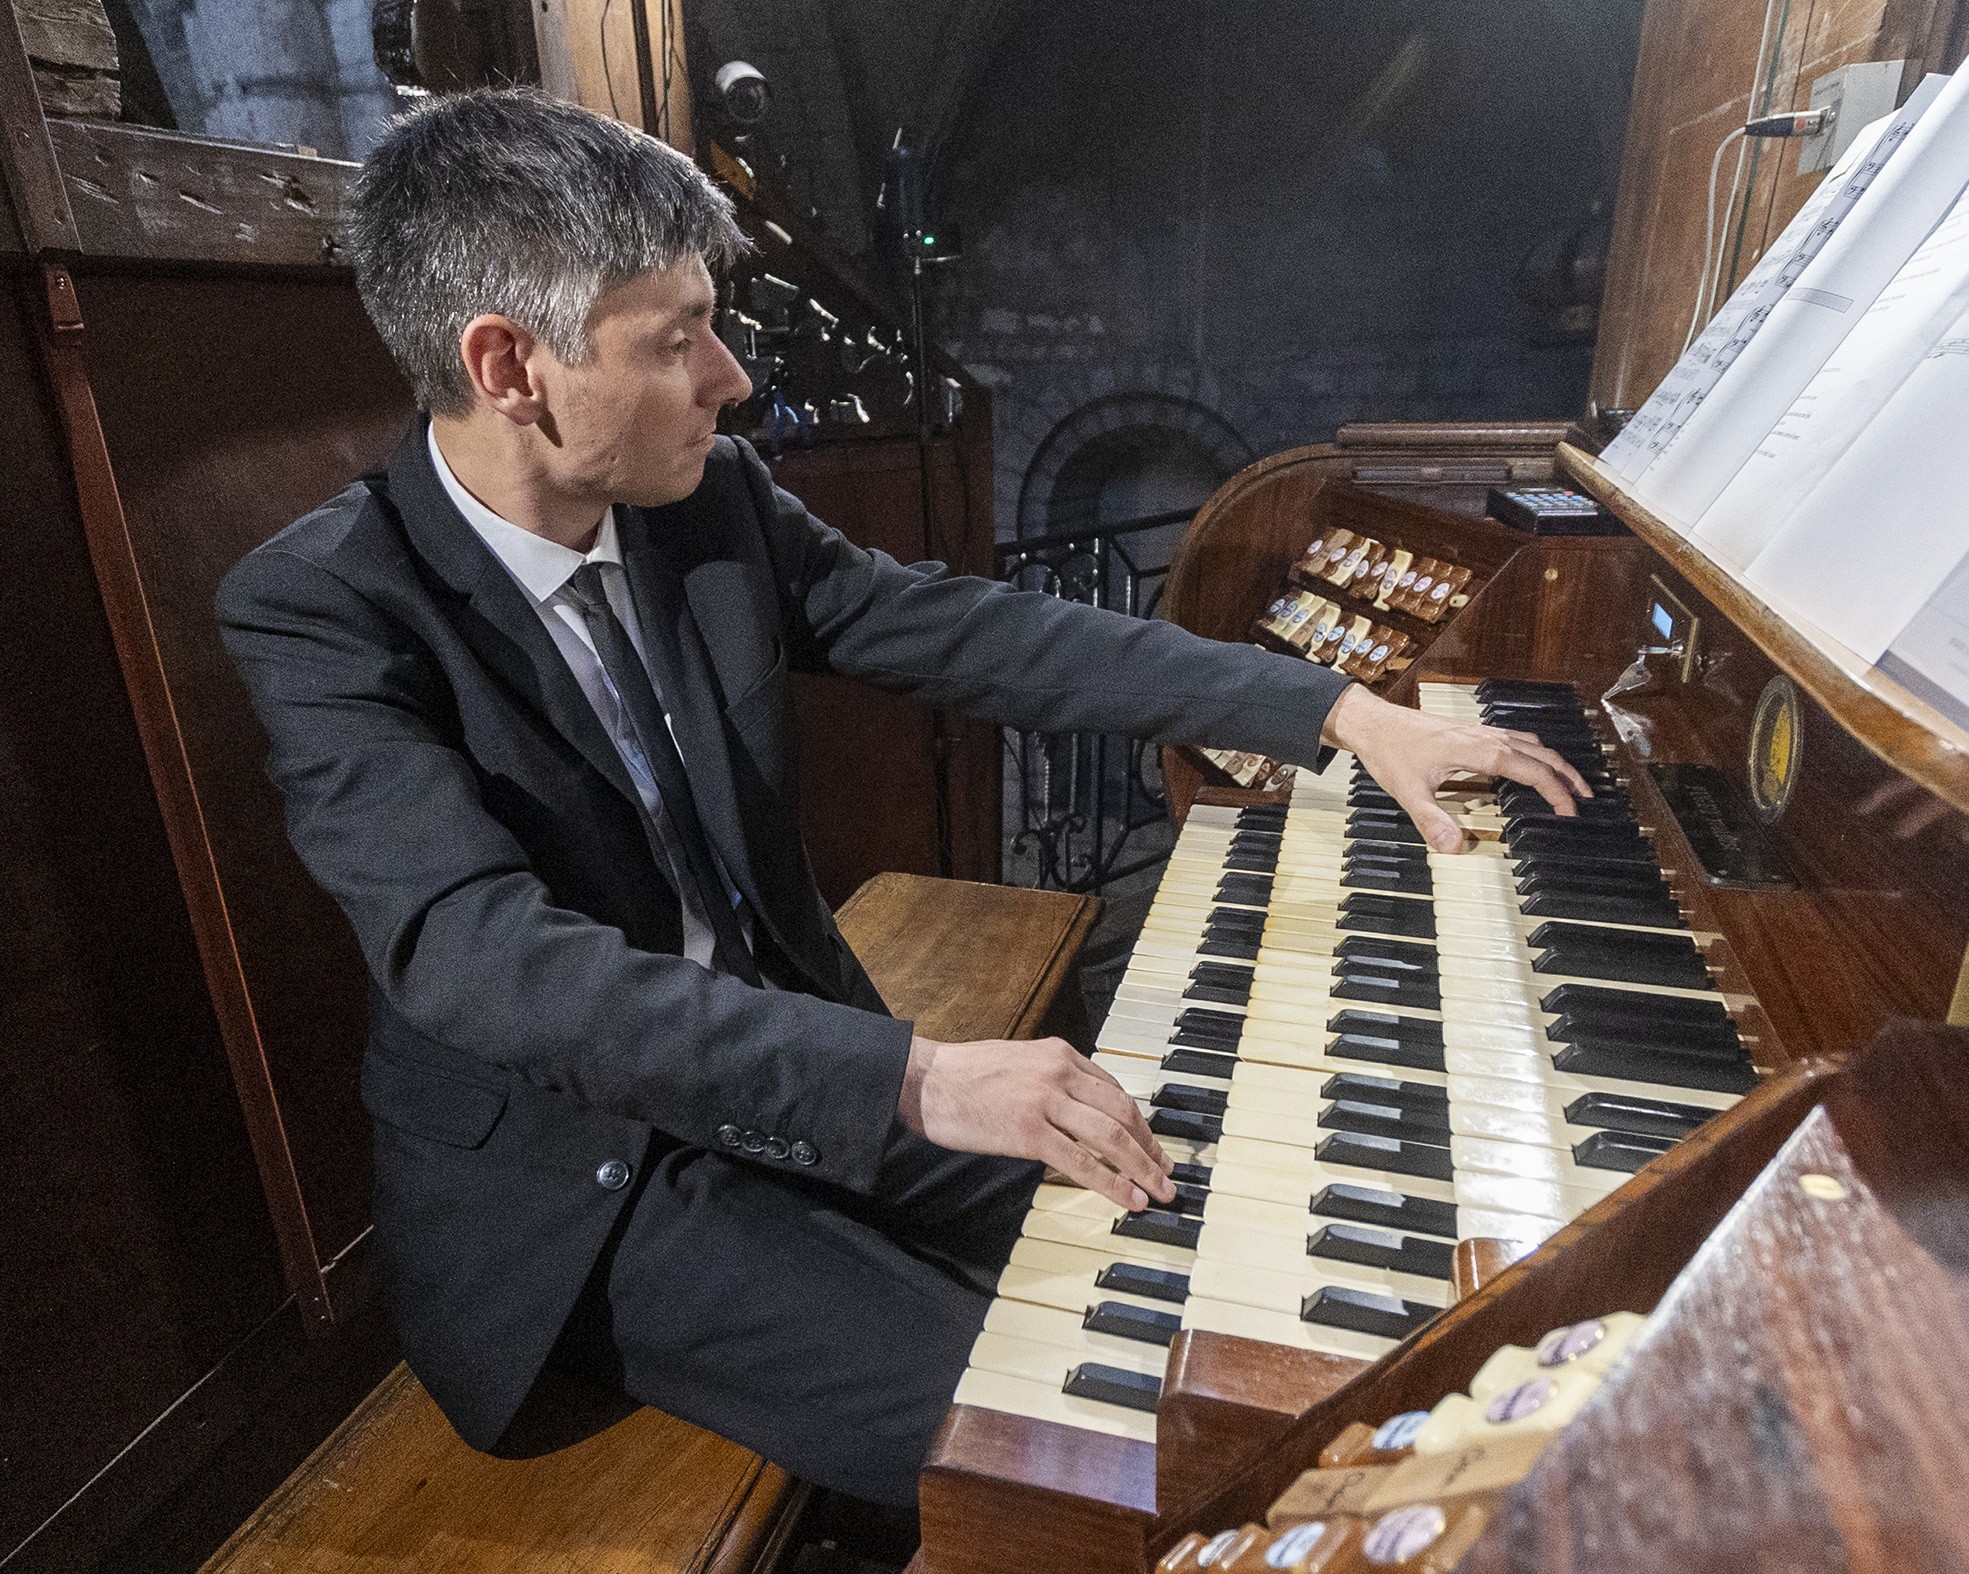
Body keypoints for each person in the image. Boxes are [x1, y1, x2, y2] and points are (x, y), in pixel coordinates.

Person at [215, 88, 1587, 1508]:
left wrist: (1330, 707)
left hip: (799, 1066)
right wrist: (923, 1076)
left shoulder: (707, 502)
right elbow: (486, 963)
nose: (732, 377)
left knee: (1221, 1237)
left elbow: (980, 633)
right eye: (679, 338)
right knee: (1085, 1448)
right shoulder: (324, 606)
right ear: (509, 366)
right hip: (588, 1184)